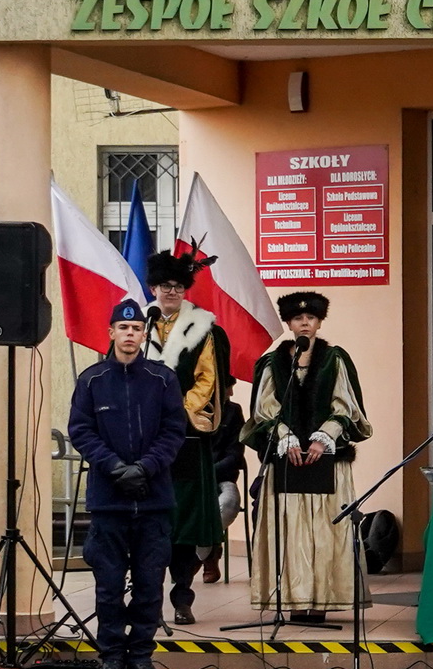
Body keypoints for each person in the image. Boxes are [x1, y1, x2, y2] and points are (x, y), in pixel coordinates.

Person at [68, 298, 188, 669]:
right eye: (123, 328)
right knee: (108, 587)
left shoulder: (162, 379)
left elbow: (174, 431)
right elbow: (81, 431)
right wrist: (116, 467)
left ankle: (141, 659)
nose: (130, 335)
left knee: (150, 586)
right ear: (111, 333)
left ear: (143, 334)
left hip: (153, 500)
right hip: (109, 501)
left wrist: (146, 467)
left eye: (136, 329)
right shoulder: (91, 380)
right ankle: (112, 660)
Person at [245, 291, 373, 616]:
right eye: (298, 318)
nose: (305, 323)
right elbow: (263, 410)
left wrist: (324, 437)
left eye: (311, 318)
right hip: (286, 459)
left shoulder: (334, 359)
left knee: (326, 531)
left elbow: (345, 406)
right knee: (290, 533)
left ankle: (324, 602)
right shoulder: (272, 363)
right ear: (289, 324)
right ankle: (294, 601)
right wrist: (285, 436)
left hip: (326, 459)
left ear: (319, 323)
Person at [144, 247, 233, 626]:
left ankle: (182, 597)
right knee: (151, 523)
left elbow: (208, 379)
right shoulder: (138, 325)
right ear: (153, 288)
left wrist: (174, 413)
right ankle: (148, 599)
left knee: (186, 523)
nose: (171, 292)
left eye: (178, 286)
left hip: (187, 437)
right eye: (165, 286)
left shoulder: (202, 329)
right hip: (145, 440)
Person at [202, 398, 246, 584]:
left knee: (229, 502)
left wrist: (208, 472)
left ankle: (199, 554)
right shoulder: (187, 407)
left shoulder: (233, 411)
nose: (232, 391)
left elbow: (235, 455)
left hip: (222, 478)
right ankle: (210, 552)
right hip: (192, 480)